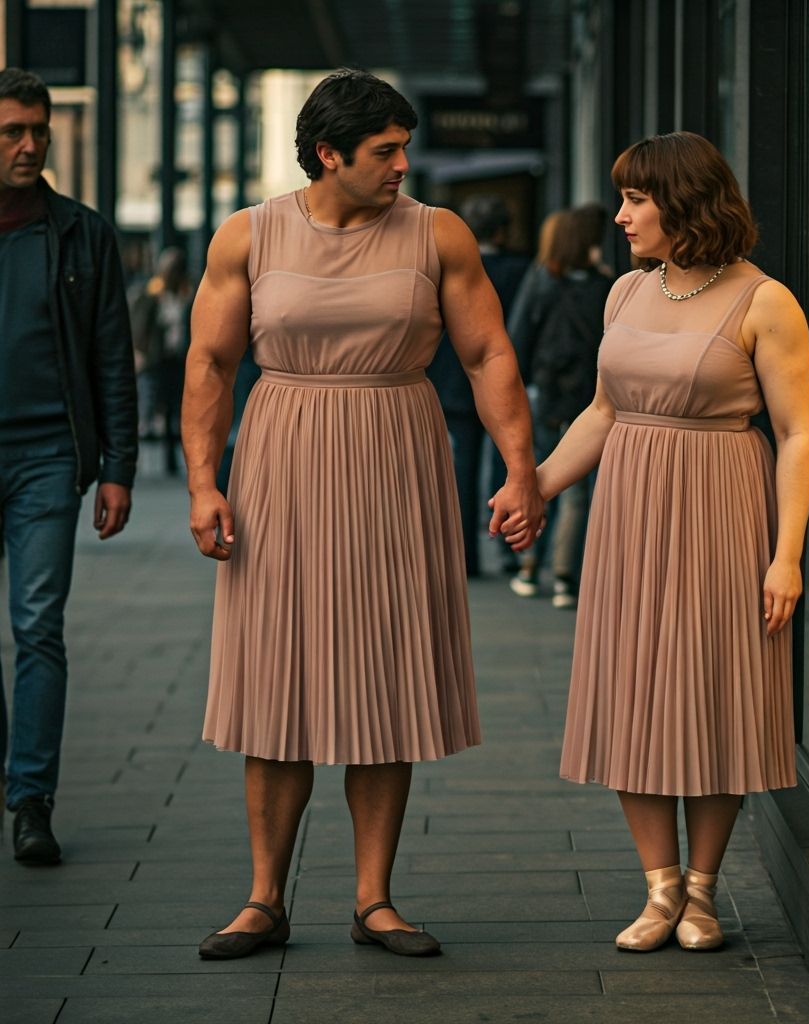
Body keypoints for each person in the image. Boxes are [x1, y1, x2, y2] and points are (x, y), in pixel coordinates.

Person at [182, 68, 543, 960]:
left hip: (397, 453)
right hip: (282, 458)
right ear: (328, 153)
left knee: (384, 674)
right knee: (277, 679)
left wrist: (520, 469)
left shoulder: (437, 232)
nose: (403, 165)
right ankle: (264, 898)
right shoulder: (250, 234)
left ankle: (374, 899)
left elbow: (489, 350)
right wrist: (202, 481)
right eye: (385, 151)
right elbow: (210, 363)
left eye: (404, 147)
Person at [505, 131, 809, 952]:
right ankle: (660, 888)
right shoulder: (624, 295)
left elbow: (797, 437)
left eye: (636, 200)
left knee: (714, 695)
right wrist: (536, 485)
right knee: (633, 695)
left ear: (684, 203)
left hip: (723, 509)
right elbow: (604, 413)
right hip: (630, 515)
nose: (620, 216)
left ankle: (705, 891)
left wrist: (786, 556)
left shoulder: (766, 300)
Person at [0, 69, 137, 864]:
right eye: (13, 131)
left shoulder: (81, 233)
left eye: (38, 131)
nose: (28, 145)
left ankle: (30, 799)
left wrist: (117, 464)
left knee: (37, 627)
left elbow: (111, 355)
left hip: (49, 455)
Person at [506, 207, 612, 607]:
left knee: (536, 477)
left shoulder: (541, 281)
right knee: (577, 491)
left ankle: (529, 564)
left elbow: (518, 338)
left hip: (545, 393)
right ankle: (566, 576)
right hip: (587, 397)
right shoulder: (606, 286)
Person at [427, 194, 529, 576]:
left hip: (454, 384)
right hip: (508, 378)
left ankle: (465, 556)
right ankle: (514, 549)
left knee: (463, 472)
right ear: (503, 230)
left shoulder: (448, 269)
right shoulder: (522, 270)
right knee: (514, 466)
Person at [129, 246, 192, 475]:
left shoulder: (185, 295)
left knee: (174, 410)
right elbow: (140, 326)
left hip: (176, 360)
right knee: (147, 408)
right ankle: (136, 460)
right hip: (155, 361)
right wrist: (140, 353)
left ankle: (171, 460)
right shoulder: (151, 294)